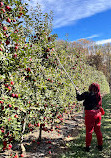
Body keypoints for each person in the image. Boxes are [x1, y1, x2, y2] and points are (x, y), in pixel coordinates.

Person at [76, 83, 105, 152]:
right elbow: (99, 104)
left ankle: (87, 147)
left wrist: (77, 91)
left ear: (90, 88)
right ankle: (100, 146)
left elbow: (79, 98)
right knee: (98, 130)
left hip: (90, 114)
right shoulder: (98, 95)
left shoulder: (87, 94)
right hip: (98, 113)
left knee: (89, 131)